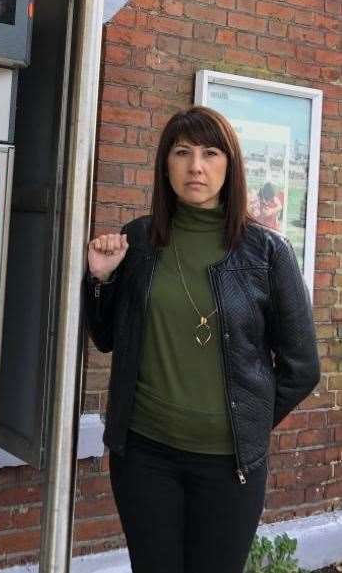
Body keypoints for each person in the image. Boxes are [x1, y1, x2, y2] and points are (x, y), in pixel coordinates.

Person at [84, 106, 319, 573]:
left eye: (210, 153)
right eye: (183, 152)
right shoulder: (140, 241)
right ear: (165, 164)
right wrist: (101, 281)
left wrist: (243, 422)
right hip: (144, 456)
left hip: (227, 467)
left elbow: (302, 367)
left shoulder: (267, 253)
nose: (196, 165)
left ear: (229, 166)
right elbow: (108, 338)